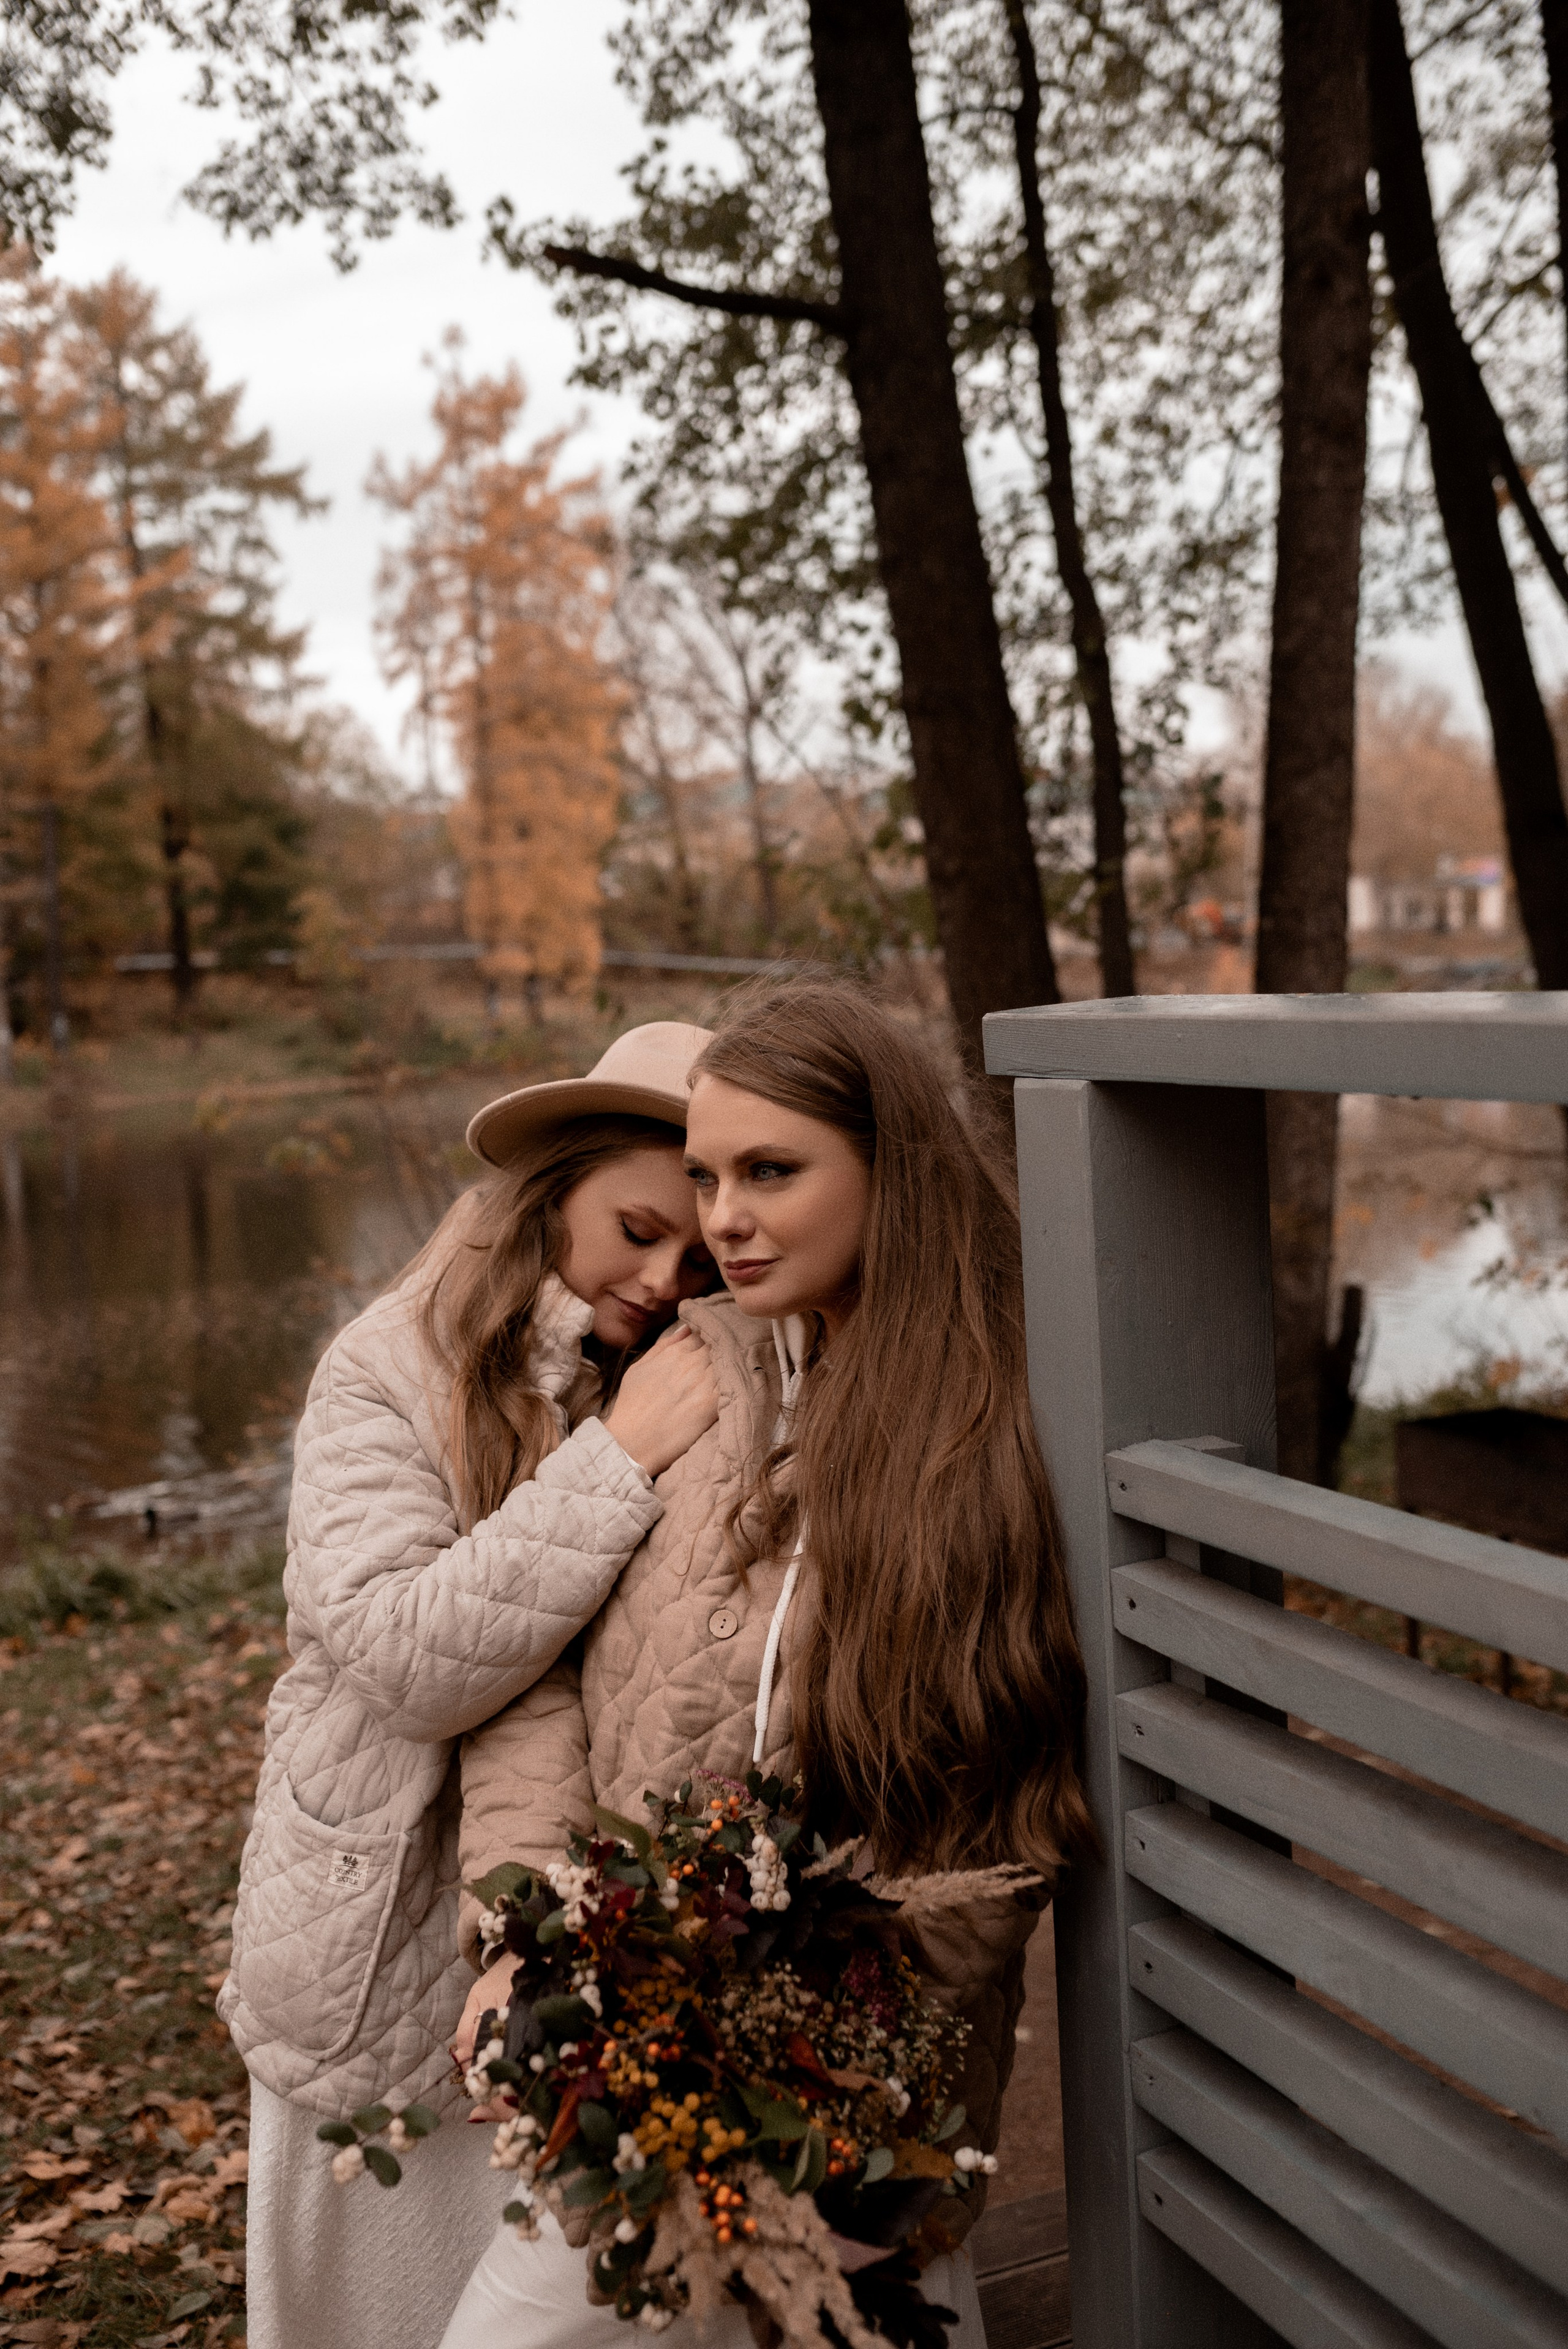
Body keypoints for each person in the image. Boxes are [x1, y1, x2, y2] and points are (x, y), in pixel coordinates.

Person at [440, 981, 1093, 2349]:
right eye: (701, 1176)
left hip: (840, 2118)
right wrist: (523, 1934)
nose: (719, 1219)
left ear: (889, 1170)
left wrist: (825, 2096)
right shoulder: (686, 1367)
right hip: (616, 2044)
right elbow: (540, 1677)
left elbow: (992, 1833)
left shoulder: (993, 1426)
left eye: (769, 1172)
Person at [226, 1022, 725, 2349]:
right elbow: (399, 1655)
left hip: (567, 1936)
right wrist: (614, 1461)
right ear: (556, 1182)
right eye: (635, 1228)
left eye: (697, 1256)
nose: (663, 1279)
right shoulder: (387, 1368)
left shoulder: (680, 1375)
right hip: (375, 1924)